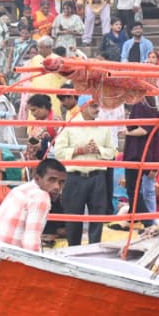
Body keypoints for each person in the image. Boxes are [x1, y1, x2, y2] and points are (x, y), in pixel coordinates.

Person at [52, 98, 117, 246]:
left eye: (98, 106)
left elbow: (112, 151)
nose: (97, 110)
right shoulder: (70, 126)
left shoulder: (103, 127)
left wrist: (98, 150)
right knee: (73, 217)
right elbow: (59, 152)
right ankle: (74, 249)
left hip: (97, 177)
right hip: (75, 177)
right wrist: (79, 150)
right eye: (94, 106)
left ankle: (94, 249)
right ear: (83, 107)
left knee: (97, 217)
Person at [0, 158, 68, 252]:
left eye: (61, 182)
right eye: (51, 180)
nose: (57, 187)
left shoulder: (22, 188)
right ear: (37, 178)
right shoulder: (41, 196)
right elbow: (31, 243)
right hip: (6, 256)